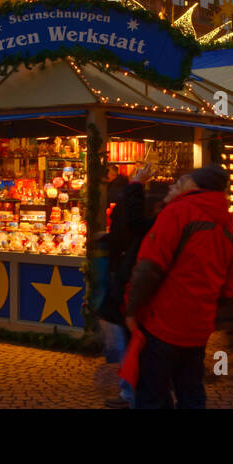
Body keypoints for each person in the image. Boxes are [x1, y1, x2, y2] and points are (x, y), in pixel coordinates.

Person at [124, 165, 233, 409]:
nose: (172, 186)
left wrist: (132, 309)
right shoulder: (226, 225)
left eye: (179, 182)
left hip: (164, 322)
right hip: (198, 328)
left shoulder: (178, 213)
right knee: (191, 391)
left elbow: (150, 267)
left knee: (152, 393)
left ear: (193, 186)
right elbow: (232, 287)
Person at [99, 164, 150, 408]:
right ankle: (135, 390)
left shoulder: (132, 215)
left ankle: (130, 391)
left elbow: (125, 230)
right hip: (129, 281)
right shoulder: (153, 218)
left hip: (126, 278)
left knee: (126, 339)